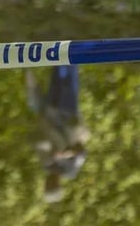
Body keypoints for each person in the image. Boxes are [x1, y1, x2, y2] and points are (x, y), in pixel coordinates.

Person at [25, 66, 89, 203]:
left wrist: (48, 148)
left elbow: (39, 142)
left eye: (47, 186)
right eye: (51, 186)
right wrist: (65, 154)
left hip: (50, 112)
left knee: (57, 70)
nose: (49, 183)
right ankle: (74, 48)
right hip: (67, 113)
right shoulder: (70, 170)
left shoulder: (46, 164)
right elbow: (82, 152)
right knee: (69, 74)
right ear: (58, 185)